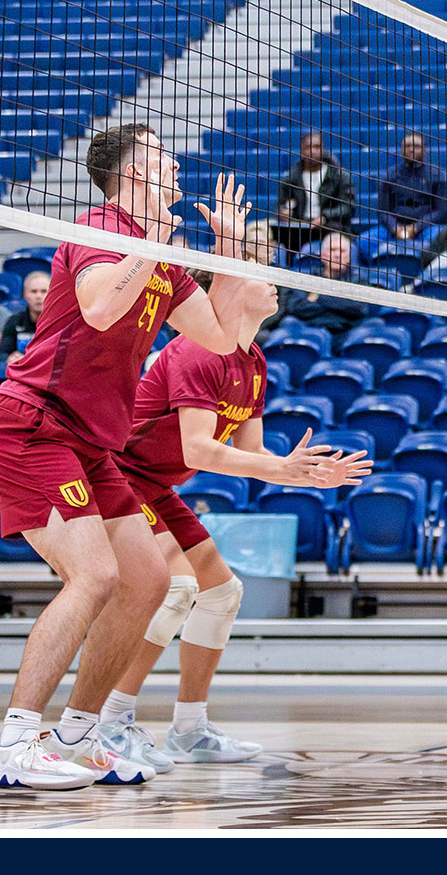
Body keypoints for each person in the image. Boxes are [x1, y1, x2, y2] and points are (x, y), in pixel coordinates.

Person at [0, 128, 255, 792]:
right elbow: (99, 310)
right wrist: (151, 242)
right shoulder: (101, 228)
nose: (176, 161)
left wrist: (231, 252)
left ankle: (77, 735)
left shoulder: (160, 252)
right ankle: (10, 744)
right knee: (94, 576)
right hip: (32, 426)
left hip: (91, 443)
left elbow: (219, 337)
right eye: (163, 154)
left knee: (149, 582)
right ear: (136, 172)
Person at [95, 267, 369, 774]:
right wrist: (282, 467)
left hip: (156, 483)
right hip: (119, 475)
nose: (274, 283)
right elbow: (197, 448)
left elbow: (254, 455)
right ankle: (110, 721)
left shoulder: (256, 362)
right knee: (175, 588)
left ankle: (190, 729)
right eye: (258, 276)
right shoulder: (197, 350)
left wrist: (307, 474)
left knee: (222, 592)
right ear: (226, 290)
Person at [271, 131, 356, 255]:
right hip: (301, 227)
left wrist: (325, 217)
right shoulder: (290, 178)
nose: (313, 151)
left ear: (323, 149)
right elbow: (281, 204)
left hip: (331, 226)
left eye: (317, 147)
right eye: (308, 147)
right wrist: (284, 212)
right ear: (301, 151)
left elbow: (348, 207)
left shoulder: (340, 176)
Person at [283, 232, 370, 346]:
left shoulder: (358, 280)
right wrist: (342, 302)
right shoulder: (308, 278)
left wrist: (319, 297)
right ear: (323, 255)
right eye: (332, 250)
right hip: (310, 331)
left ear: (349, 257)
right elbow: (296, 306)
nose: (337, 255)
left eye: (342, 251)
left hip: (345, 333)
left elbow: (360, 309)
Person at [376, 132, 447, 243]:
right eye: (407, 146)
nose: (411, 149)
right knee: (364, 241)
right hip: (395, 227)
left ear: (425, 151)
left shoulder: (438, 175)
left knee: (437, 238)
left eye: (416, 146)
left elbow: (441, 211)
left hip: (427, 229)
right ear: (401, 151)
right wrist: (395, 228)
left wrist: (416, 227)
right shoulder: (389, 175)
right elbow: (383, 211)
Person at [0, 271, 51, 356]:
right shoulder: (14, 321)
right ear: (25, 295)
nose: (38, 296)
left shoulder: (60, 323)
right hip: (21, 367)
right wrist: (11, 357)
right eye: (33, 291)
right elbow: (1, 355)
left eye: (44, 291)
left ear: (51, 294)